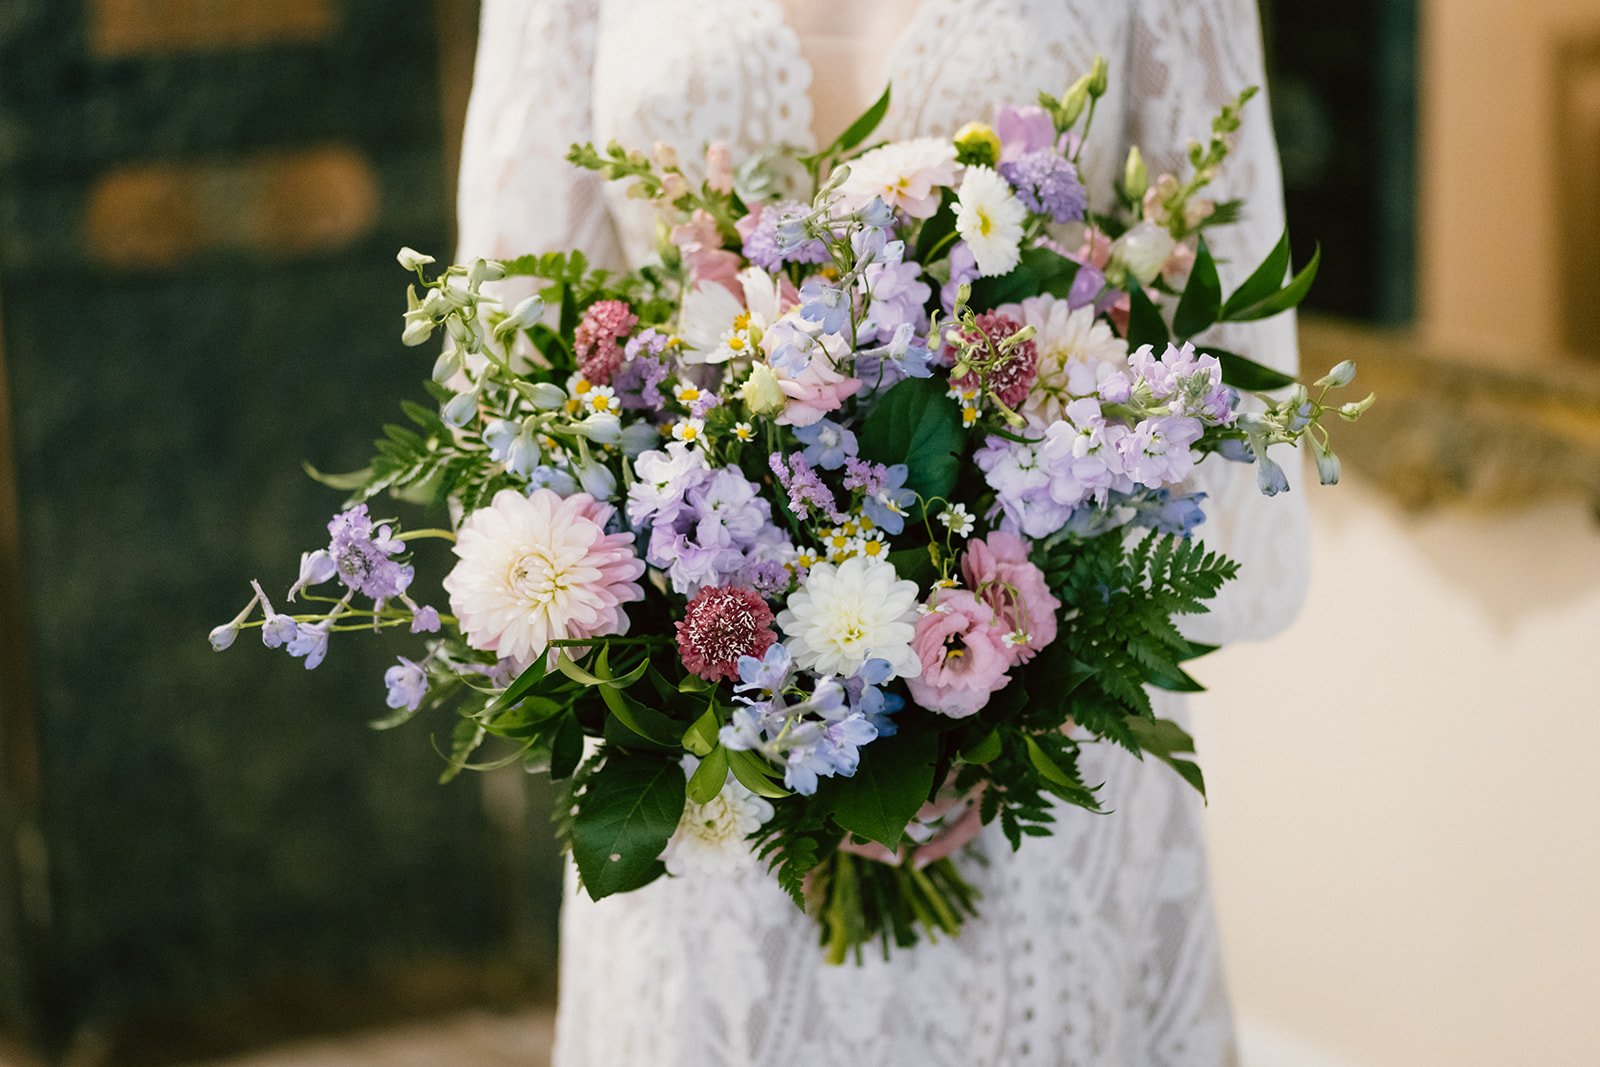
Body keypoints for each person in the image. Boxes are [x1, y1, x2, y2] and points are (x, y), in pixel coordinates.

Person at [457, 2, 1310, 1063]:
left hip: (1039, 718)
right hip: (713, 762)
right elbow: (514, 338)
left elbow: (1216, 340)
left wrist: (1025, 686)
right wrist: (696, 674)